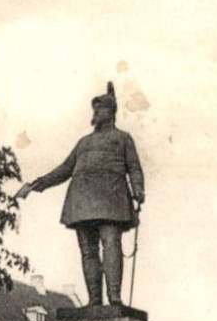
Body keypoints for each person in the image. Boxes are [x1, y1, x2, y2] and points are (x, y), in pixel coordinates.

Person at [16, 83, 144, 306]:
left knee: (111, 244)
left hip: (111, 197)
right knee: (88, 251)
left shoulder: (123, 138)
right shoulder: (84, 142)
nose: (95, 114)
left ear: (111, 112)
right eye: (94, 109)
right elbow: (65, 169)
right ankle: (94, 300)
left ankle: (114, 298)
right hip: (81, 200)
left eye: (100, 109)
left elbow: (133, 167)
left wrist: (138, 189)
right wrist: (35, 185)